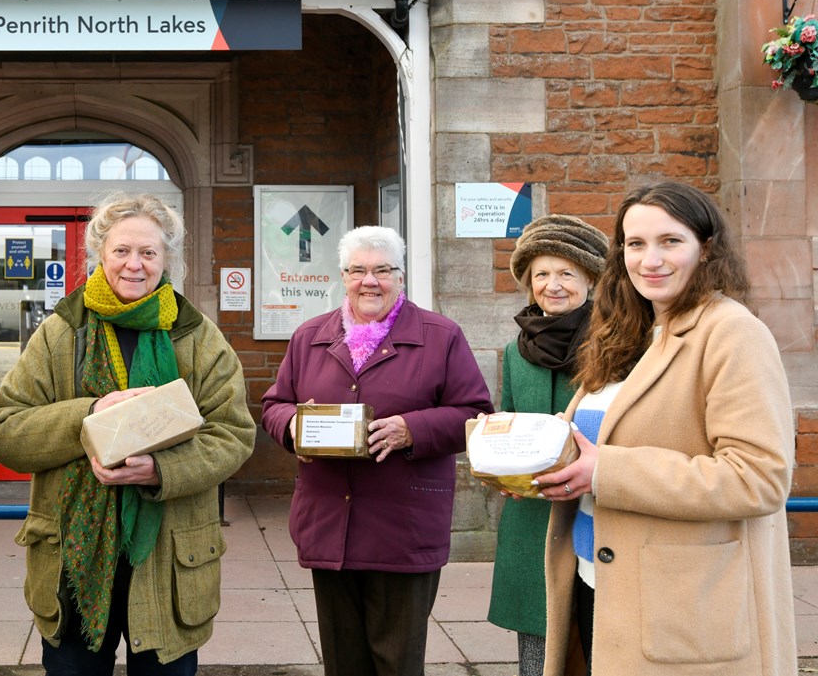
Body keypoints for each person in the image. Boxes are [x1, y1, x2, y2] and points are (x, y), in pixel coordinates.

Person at [0, 192, 256, 675]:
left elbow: (233, 434)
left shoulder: (198, 336)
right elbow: (4, 430)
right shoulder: (60, 333)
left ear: (166, 258)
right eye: (121, 251)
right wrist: (89, 415)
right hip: (75, 556)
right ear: (99, 256)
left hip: (169, 558)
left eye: (148, 253)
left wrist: (159, 470)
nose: (135, 265)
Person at [536, 182, 796, 676]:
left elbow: (759, 478)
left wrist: (604, 472)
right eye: (635, 244)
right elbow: (599, 445)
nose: (649, 259)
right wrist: (534, 458)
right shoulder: (627, 333)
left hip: (681, 606)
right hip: (597, 584)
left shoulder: (732, 332)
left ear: (706, 249)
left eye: (670, 241)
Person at [261, 225, 493, 676]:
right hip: (330, 525)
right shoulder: (310, 336)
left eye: (383, 270)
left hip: (401, 528)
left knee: (397, 662)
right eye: (359, 270)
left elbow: (474, 413)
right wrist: (293, 427)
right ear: (343, 276)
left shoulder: (440, 335)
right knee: (343, 662)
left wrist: (412, 429)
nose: (370, 281)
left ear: (400, 277)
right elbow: (274, 404)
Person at [485, 214, 608, 676]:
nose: (552, 285)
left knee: (598, 641)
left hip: (597, 511)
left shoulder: (617, 342)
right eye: (541, 274)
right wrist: (499, 468)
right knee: (537, 651)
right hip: (532, 519)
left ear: (591, 278)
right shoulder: (517, 349)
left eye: (565, 273)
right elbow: (507, 417)